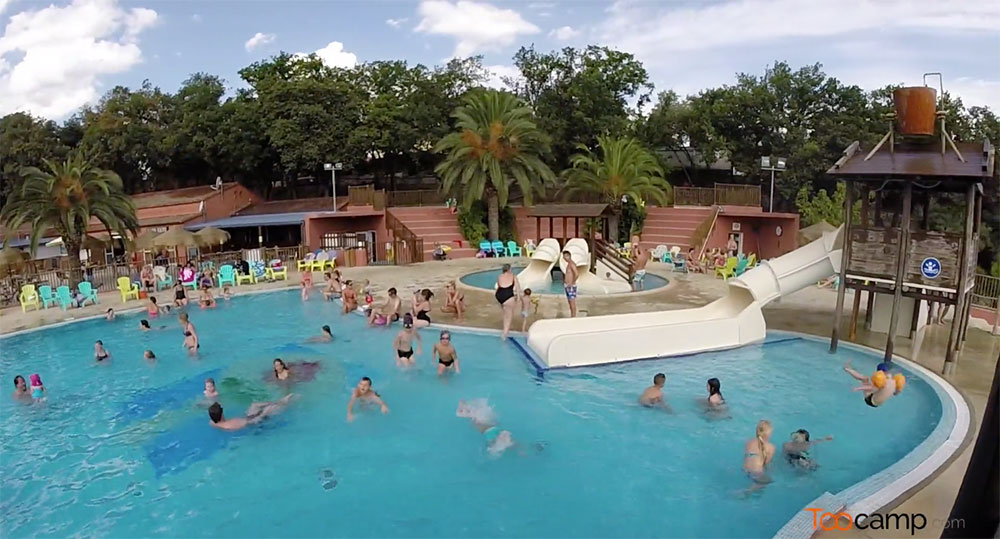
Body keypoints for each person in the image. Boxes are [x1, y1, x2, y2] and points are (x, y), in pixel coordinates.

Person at [208, 395, 295, 431]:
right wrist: (261, 415)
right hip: (253, 422)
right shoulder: (231, 425)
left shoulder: (212, 422)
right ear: (221, 414)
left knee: (254, 405)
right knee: (268, 410)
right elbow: (251, 422)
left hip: (247, 418)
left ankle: (277, 402)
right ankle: (285, 403)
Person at [743, 420, 775, 489]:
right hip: (756, 472)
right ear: (768, 434)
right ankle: (747, 491)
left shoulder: (749, 441)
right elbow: (766, 464)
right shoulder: (770, 447)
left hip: (745, 469)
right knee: (769, 481)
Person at [495, 264, 521, 339]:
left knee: (505, 314)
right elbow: (517, 288)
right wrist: (518, 298)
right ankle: (505, 334)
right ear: (509, 269)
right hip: (508, 295)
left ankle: (505, 330)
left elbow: (498, 286)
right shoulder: (513, 276)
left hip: (499, 295)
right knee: (509, 316)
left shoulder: (500, 276)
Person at [562, 251, 578, 318]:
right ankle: (572, 315)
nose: (564, 258)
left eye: (565, 256)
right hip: (568, 286)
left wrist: (572, 282)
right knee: (569, 301)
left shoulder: (572, 264)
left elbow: (576, 274)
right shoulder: (568, 264)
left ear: (569, 256)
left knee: (572, 302)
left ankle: (573, 316)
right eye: (563, 256)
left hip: (570, 286)